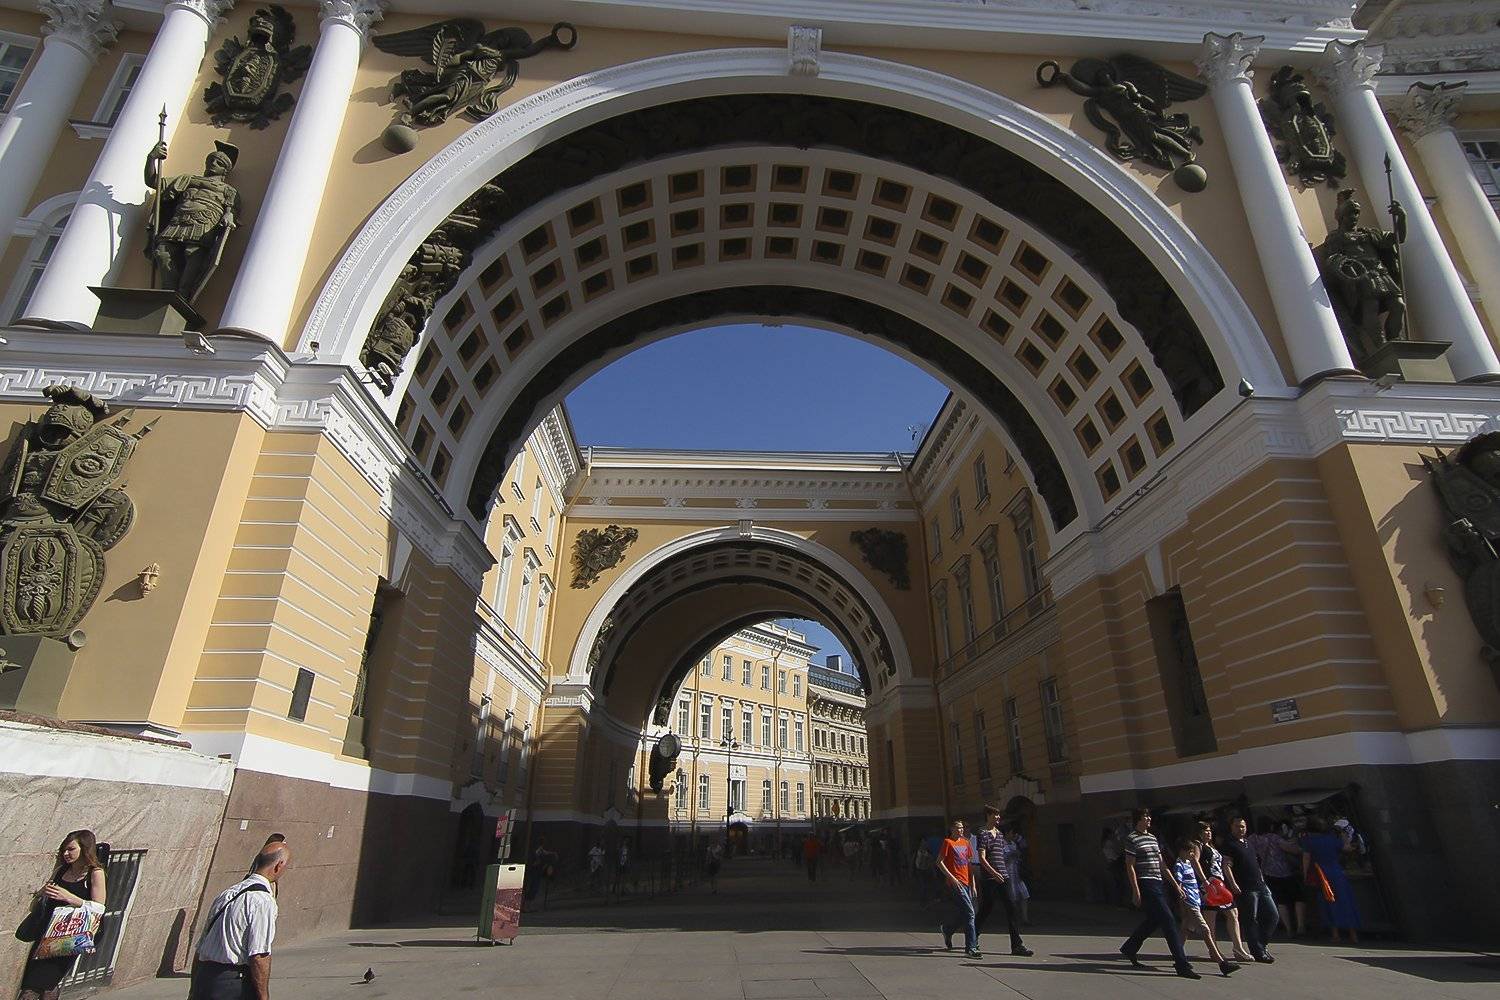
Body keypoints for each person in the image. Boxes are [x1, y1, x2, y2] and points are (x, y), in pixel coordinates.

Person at [191, 844, 289, 1000]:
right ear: (279, 866)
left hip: (204, 980)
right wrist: (263, 996)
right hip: (232, 984)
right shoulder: (262, 901)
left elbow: (201, 948)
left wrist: (193, 990)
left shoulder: (227, 894)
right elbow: (259, 955)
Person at [18, 830, 107, 1000]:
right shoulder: (61, 871)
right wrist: (42, 893)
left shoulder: (95, 873)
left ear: (85, 849)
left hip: (70, 938)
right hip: (47, 934)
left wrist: (69, 897)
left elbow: (99, 908)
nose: (66, 854)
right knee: (40, 985)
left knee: (36, 986)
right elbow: (40, 901)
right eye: (64, 850)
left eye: (71, 849)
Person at [1119, 807, 1198, 979]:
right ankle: (1181, 964)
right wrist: (1135, 890)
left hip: (1158, 882)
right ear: (1138, 819)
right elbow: (1130, 866)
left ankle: (1130, 947)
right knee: (1168, 920)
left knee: (1155, 920)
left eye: (1149, 816)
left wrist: (1176, 885)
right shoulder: (1132, 839)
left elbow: (1162, 864)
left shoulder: (1153, 838)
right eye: (1145, 816)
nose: (1148, 819)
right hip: (1145, 882)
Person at [1173, 839, 1239, 977]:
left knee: (1186, 929)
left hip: (1195, 900)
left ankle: (1178, 956)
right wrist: (1182, 900)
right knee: (1205, 929)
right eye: (1190, 852)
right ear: (1182, 851)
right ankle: (1221, 962)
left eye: (1193, 852)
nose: (1192, 854)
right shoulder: (1179, 865)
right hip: (1189, 902)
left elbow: (1193, 883)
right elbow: (1179, 884)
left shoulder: (1188, 864)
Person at [975, 806, 1033, 957]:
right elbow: (982, 858)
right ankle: (972, 937)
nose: (998, 818)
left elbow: (1000, 856)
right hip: (989, 877)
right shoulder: (982, 833)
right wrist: (994, 873)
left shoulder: (1000, 834)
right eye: (995, 815)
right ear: (988, 816)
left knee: (1011, 908)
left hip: (1003, 876)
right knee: (986, 908)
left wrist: (1004, 872)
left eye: (999, 815)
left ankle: (1017, 945)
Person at [1223, 815, 1277, 963]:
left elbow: (1256, 863)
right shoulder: (1229, 844)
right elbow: (1227, 865)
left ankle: (1262, 945)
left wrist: (1262, 880)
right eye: (1237, 826)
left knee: (1272, 915)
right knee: (1250, 919)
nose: (1240, 829)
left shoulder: (1248, 843)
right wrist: (1233, 884)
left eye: (1243, 826)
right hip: (1246, 887)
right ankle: (1257, 951)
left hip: (1260, 885)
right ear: (1231, 827)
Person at [1193, 822, 1249, 962]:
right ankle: (1214, 950)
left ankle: (1238, 948)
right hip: (1210, 883)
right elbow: (1195, 861)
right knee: (1211, 916)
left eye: (1209, 830)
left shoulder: (1212, 846)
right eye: (1205, 831)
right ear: (1199, 833)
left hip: (1219, 883)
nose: (1208, 833)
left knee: (1232, 913)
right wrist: (1204, 881)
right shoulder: (1198, 845)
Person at [1301, 817, 1360, 943]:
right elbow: (1347, 848)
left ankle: (1335, 934)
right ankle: (1353, 934)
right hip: (1337, 872)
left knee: (1328, 903)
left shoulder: (1308, 841)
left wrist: (1305, 875)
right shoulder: (1333, 839)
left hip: (1321, 875)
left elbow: (1306, 859)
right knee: (1345, 902)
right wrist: (1347, 837)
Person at [1250, 817, 1303, 936]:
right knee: (1298, 897)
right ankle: (1300, 926)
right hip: (1284, 872)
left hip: (1267, 872)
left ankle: (1288, 928)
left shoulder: (1253, 838)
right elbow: (1293, 850)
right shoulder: (1274, 838)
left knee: (1280, 902)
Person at [937, 819, 981, 959]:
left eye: (962, 828)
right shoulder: (948, 842)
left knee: (966, 913)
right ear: (952, 829)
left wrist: (973, 884)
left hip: (967, 881)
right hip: (956, 883)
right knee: (970, 913)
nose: (960, 830)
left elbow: (969, 864)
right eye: (957, 828)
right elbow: (939, 862)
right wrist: (952, 878)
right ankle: (971, 947)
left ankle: (948, 929)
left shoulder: (966, 843)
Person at [1003, 826, 1032, 926]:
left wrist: (1019, 839)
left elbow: (1024, 846)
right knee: (1013, 898)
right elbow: (1001, 859)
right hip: (1008, 874)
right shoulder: (1002, 844)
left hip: (1017, 874)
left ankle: (1025, 918)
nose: (1013, 835)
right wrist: (1011, 854)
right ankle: (1014, 919)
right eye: (1012, 833)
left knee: (1024, 895)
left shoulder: (1014, 843)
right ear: (1006, 833)